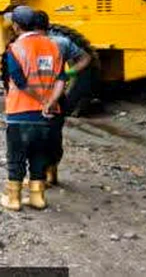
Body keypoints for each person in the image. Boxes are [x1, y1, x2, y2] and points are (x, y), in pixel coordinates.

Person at [0, 5, 67, 211]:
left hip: (20, 112)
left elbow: (19, 81)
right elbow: (61, 79)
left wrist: (39, 98)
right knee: (39, 155)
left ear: (17, 26)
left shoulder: (15, 49)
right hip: (46, 115)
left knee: (16, 157)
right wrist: (49, 101)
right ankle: (37, 198)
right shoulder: (53, 47)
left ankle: (13, 199)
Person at [33, 10, 94, 187]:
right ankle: (52, 171)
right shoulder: (62, 42)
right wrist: (68, 73)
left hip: (36, 98)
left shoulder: (26, 44)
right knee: (54, 135)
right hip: (57, 97)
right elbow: (86, 58)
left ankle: (41, 177)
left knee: (37, 136)